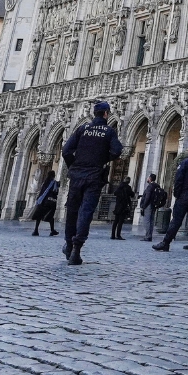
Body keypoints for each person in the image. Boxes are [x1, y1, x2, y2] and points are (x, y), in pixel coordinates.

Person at [60, 100, 123, 265]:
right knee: (86, 213)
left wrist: (73, 165)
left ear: (94, 114)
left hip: (77, 175)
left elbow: (66, 151)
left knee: (72, 211)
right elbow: (117, 151)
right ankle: (76, 249)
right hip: (94, 176)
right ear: (106, 114)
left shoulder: (82, 129)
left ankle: (68, 245)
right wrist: (102, 159)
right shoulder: (109, 132)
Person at [153, 139, 188, 251]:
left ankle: (166, 242)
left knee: (176, 220)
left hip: (185, 195)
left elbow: (178, 180)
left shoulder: (186, 162)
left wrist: (177, 194)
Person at [31, 169, 59, 237]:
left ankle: (36, 230)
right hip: (50, 202)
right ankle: (52, 230)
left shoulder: (45, 182)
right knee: (50, 215)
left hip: (42, 201)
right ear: (53, 176)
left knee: (39, 216)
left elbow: (41, 191)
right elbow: (55, 192)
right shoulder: (54, 182)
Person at [110, 175, 136, 240]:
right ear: (129, 181)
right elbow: (132, 195)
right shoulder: (128, 187)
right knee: (120, 221)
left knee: (116, 221)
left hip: (118, 205)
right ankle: (118, 235)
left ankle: (112, 235)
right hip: (124, 206)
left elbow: (115, 193)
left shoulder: (119, 187)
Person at [137, 173, 161, 241]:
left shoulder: (150, 186)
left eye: (148, 178)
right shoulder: (157, 186)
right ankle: (149, 235)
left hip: (148, 205)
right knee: (151, 220)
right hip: (154, 205)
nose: (147, 179)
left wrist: (143, 206)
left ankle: (148, 236)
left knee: (146, 221)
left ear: (150, 178)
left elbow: (147, 197)